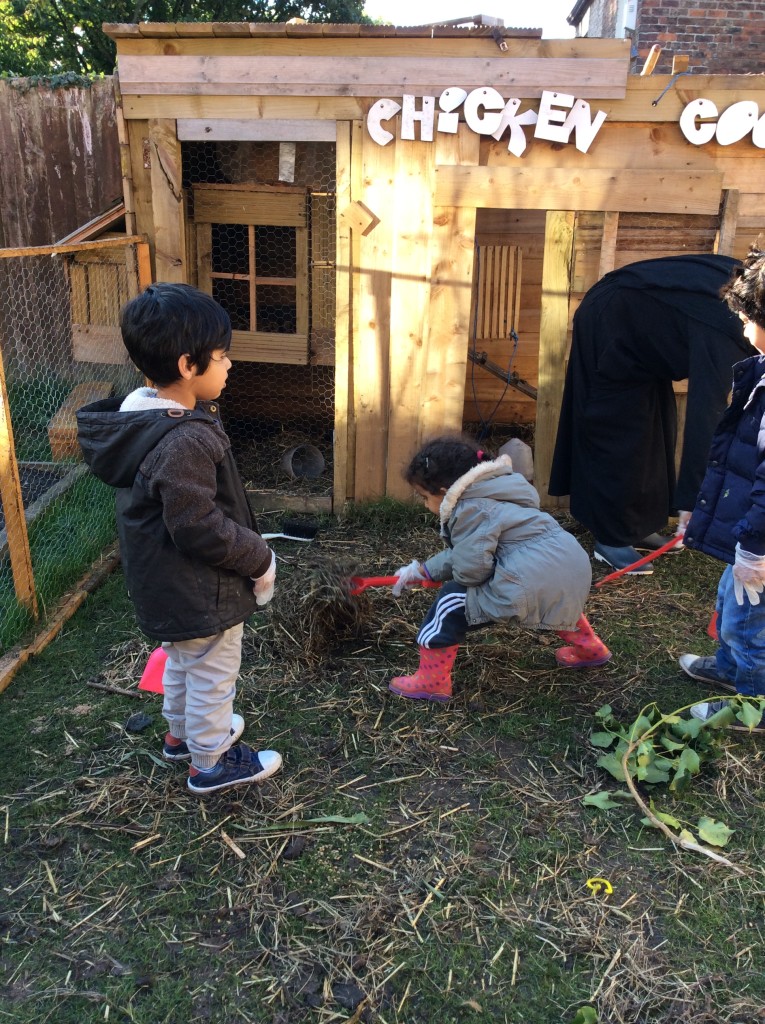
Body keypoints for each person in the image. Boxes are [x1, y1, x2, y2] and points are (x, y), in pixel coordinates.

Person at [77, 283, 284, 793]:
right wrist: (259, 558)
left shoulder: (142, 420)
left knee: (181, 658)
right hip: (197, 588)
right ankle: (211, 761)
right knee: (213, 671)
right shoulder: (184, 438)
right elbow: (197, 525)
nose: (230, 364)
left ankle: (180, 736)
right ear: (189, 365)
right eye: (221, 356)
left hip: (161, 582)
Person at [549, 255, 754, 573]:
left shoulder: (752, 303)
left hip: (648, 333)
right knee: (615, 428)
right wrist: (696, 500)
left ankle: (638, 526)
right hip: (611, 317)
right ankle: (611, 537)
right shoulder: (728, 326)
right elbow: (709, 414)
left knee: (654, 429)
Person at [388, 436, 611, 702]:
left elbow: (471, 569)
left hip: (527, 580)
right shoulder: (501, 492)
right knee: (554, 598)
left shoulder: (469, 508)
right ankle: (590, 650)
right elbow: (468, 550)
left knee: (449, 603)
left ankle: (431, 681)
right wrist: (424, 571)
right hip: (571, 567)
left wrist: (452, 579)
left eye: (425, 497)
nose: (425, 505)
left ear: (445, 490)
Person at [679, 248, 765, 730]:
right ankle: (732, 669)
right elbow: (736, 457)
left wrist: (755, 548)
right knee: (730, 602)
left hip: (760, 541)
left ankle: (756, 705)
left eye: (749, 318)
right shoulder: (761, 371)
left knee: (748, 622)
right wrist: (703, 508)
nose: (744, 329)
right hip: (749, 534)